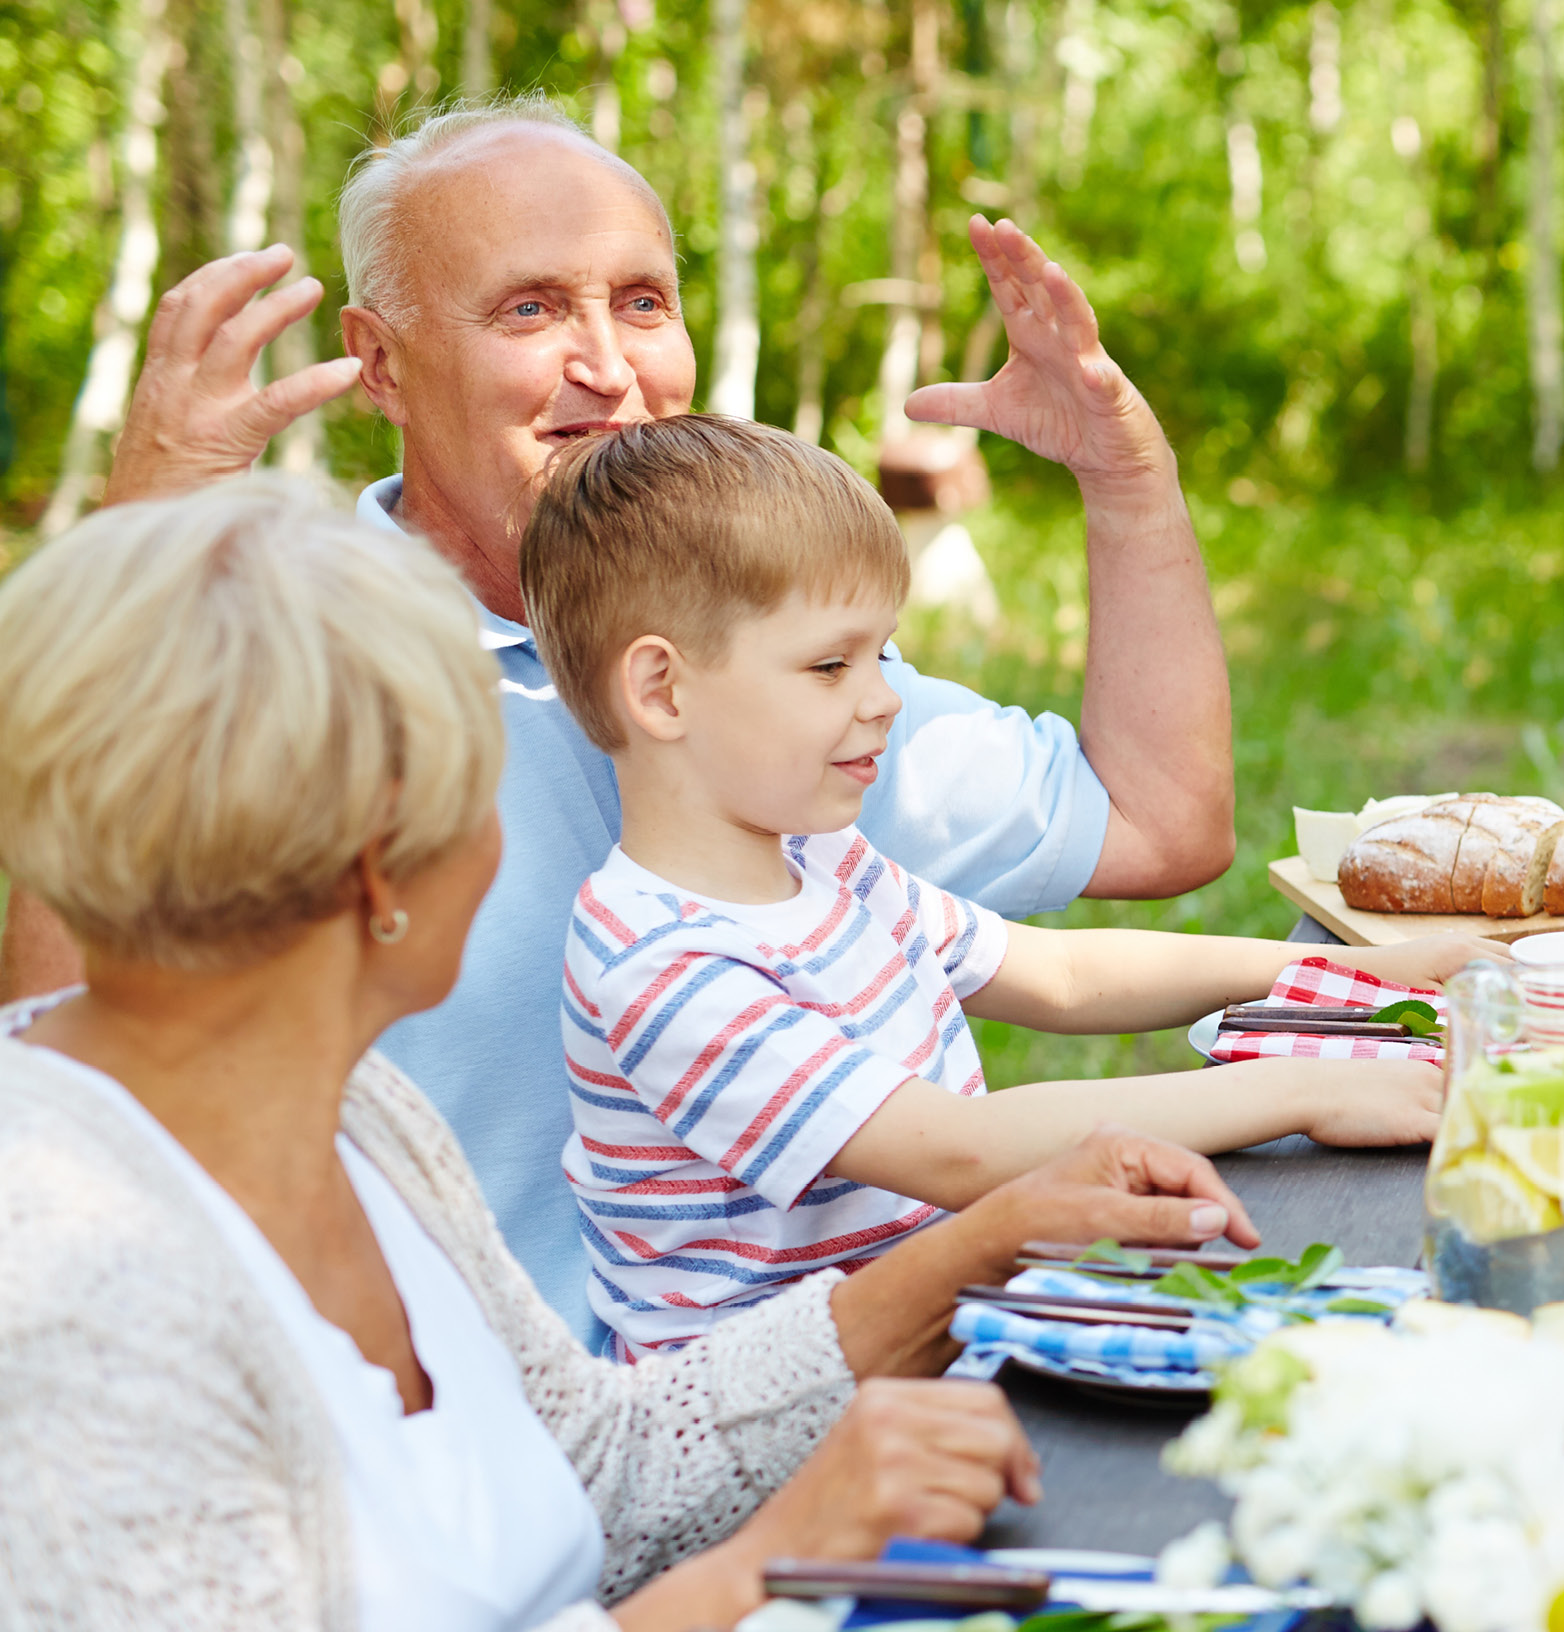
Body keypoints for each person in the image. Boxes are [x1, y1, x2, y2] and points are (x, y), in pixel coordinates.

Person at [0, 481, 1259, 1632]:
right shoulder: (64, 1267)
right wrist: (748, 1583)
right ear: (379, 879)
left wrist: (959, 1256)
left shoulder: (358, 1122)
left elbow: (593, 1462)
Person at [0, 97, 1244, 1346]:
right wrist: (138, 562)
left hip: (840, 1393)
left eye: (643, 302)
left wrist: (1126, 478)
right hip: (488, 1464)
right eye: (531, 309)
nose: (611, 366)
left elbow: (1158, 824)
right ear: (379, 362)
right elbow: (52, 1095)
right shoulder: (294, 667)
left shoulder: (771, 659)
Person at [532, 415, 1472, 1350]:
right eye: (830, 665)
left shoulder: (820, 862)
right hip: (787, 1437)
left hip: (931, 1346)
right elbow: (959, 1150)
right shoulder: (661, 964)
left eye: (882, 655)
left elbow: (1054, 974)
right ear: (662, 691)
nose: (884, 698)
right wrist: (1303, 1091)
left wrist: (1352, 980)